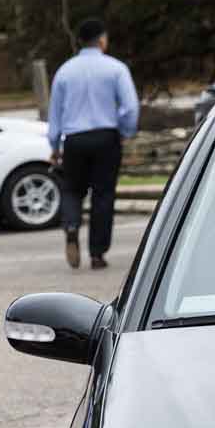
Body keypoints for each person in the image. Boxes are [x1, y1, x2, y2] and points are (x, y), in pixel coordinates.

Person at [47, 17, 139, 270]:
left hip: (75, 140)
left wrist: (54, 146)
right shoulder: (116, 68)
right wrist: (124, 130)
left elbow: (55, 113)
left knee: (72, 189)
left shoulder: (64, 71)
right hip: (106, 137)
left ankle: (72, 226)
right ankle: (97, 253)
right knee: (103, 194)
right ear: (101, 40)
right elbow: (130, 107)